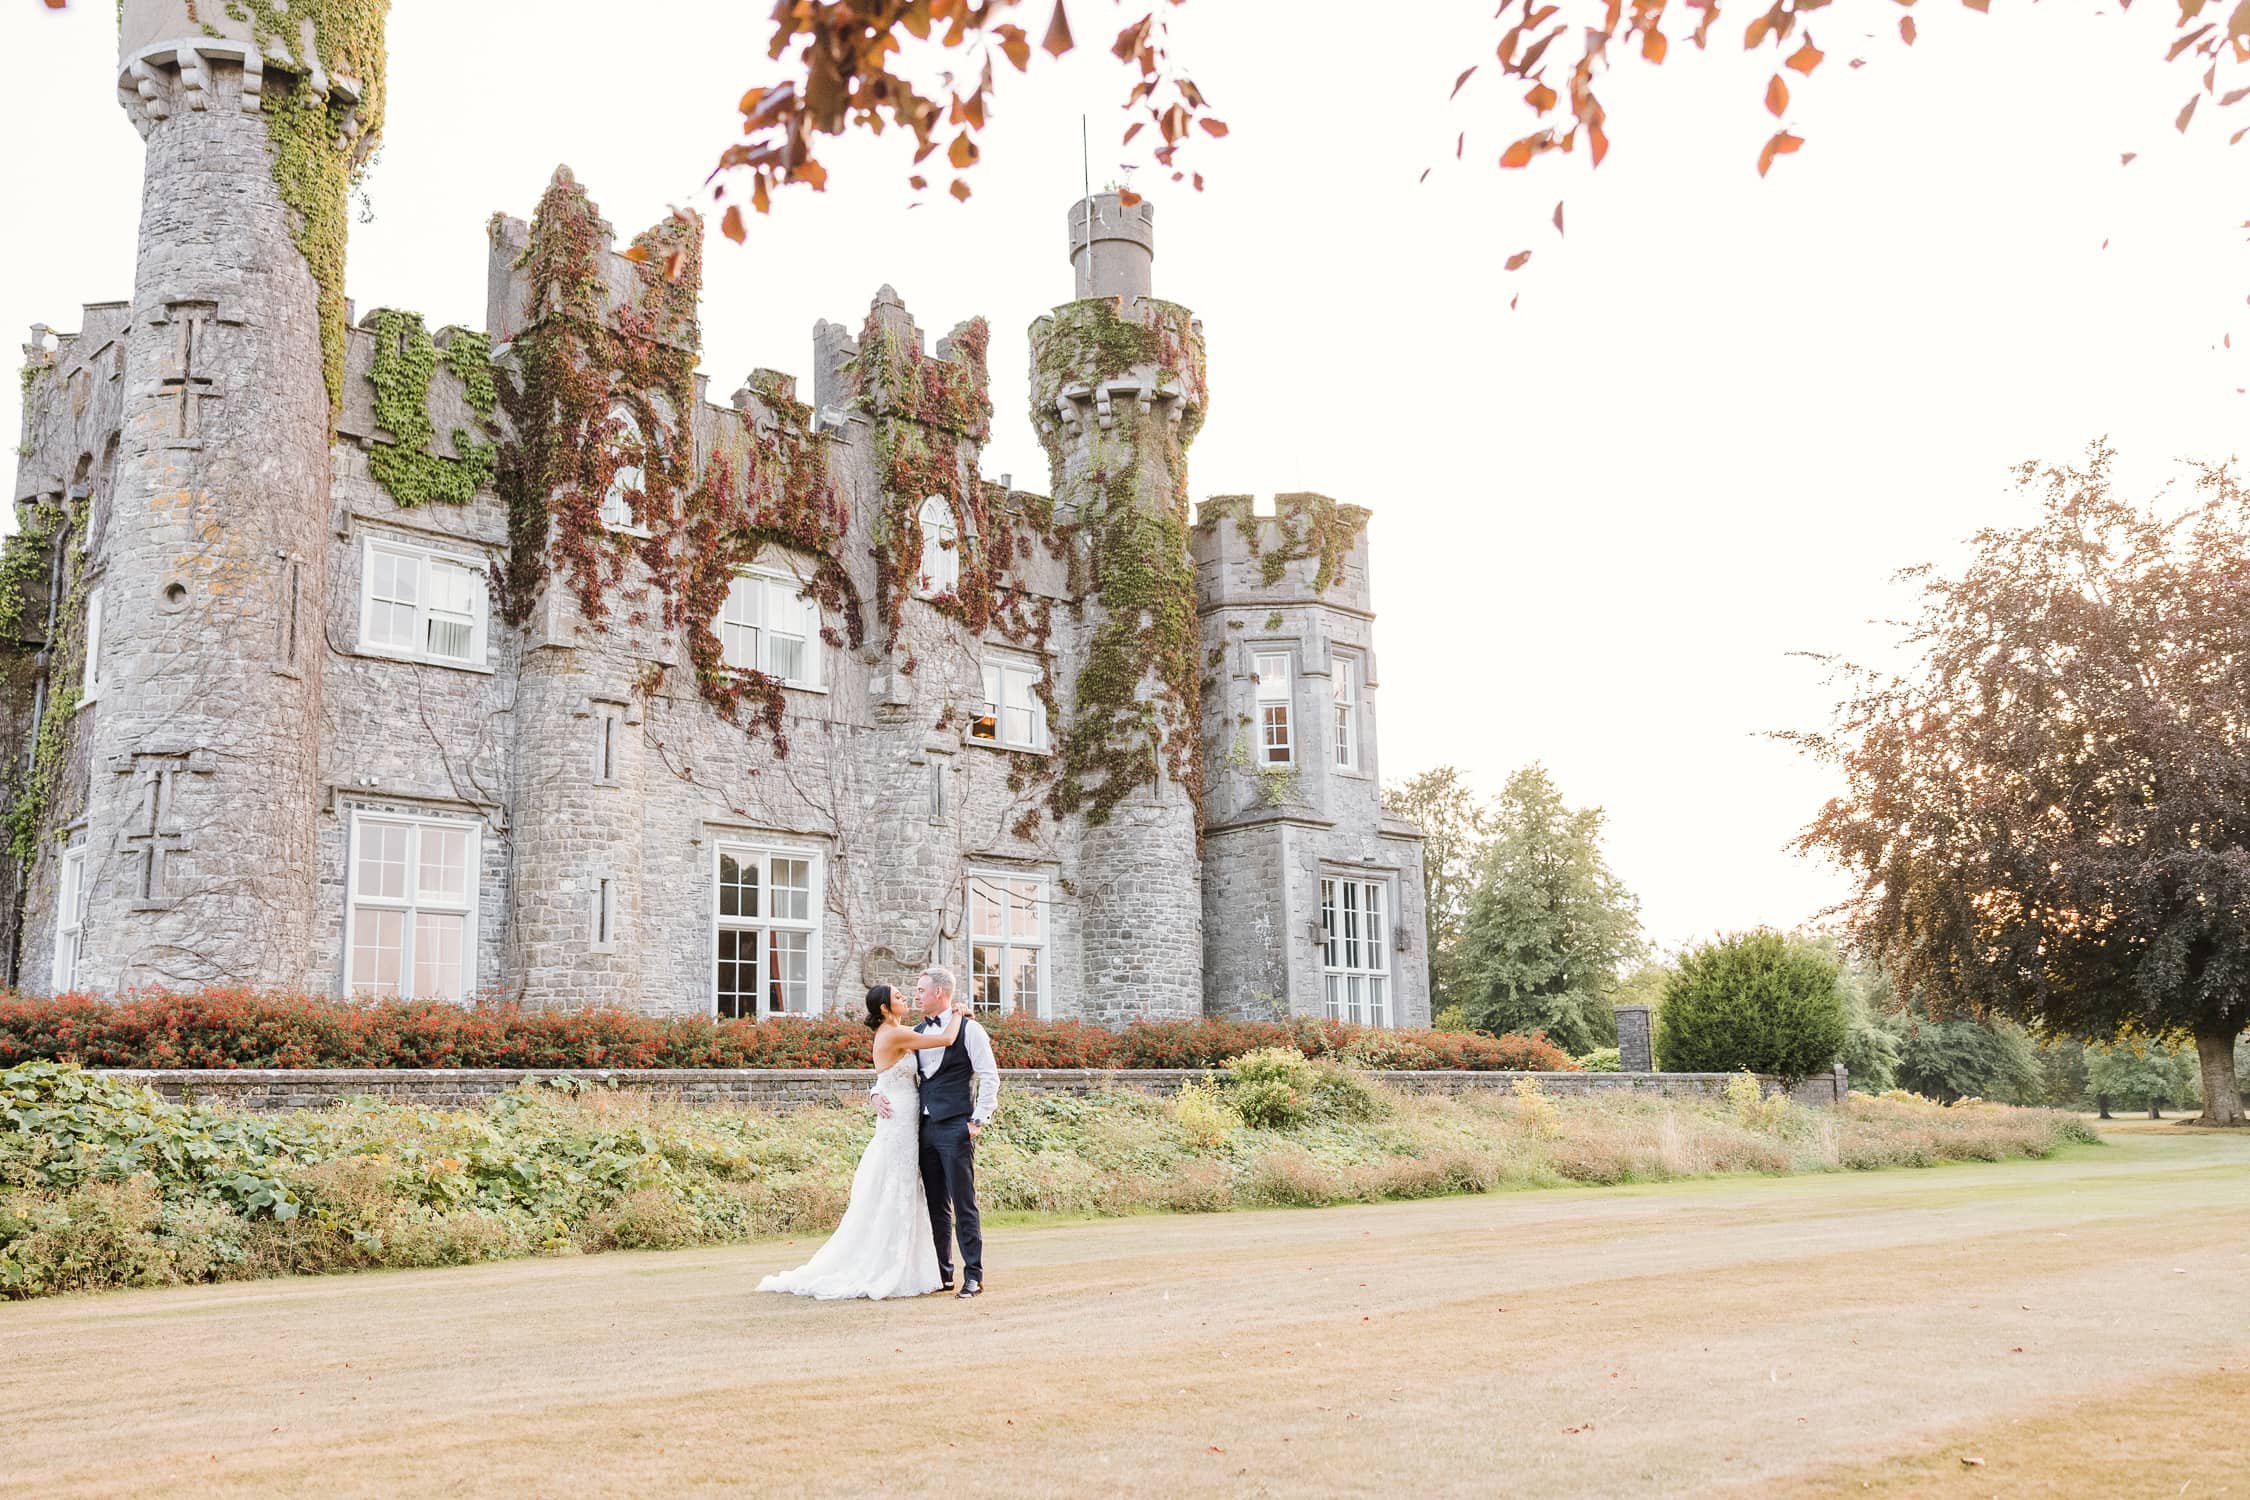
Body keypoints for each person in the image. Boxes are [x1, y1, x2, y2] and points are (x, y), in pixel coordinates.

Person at [755, 985, 970, 1301]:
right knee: (896, 1186)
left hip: (907, 1118)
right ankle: (887, 1264)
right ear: (884, 1008)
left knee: (906, 1187)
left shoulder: (896, 1031)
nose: (905, 999)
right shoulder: (891, 1034)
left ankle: (918, 1267)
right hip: (898, 1122)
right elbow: (946, 1039)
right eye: (898, 997)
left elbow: (888, 1073)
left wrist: (874, 1091)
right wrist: (958, 1014)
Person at [873, 965, 998, 1298]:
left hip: (956, 1125)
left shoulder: (971, 1030)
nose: (916, 995)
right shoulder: (914, 1031)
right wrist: (874, 1093)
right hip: (922, 1128)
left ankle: (974, 1275)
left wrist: (978, 1120)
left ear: (939, 993)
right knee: (935, 1204)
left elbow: (989, 1075)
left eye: (921, 990)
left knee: (964, 1202)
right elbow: (888, 1068)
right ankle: (944, 1273)